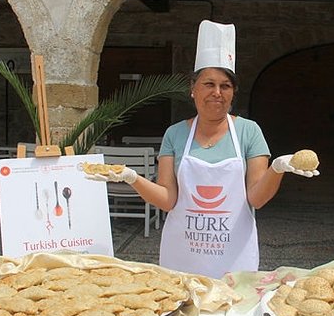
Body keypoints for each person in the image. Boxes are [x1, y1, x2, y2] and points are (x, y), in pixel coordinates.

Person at [96, 20, 319, 278]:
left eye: (225, 86)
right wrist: (132, 178)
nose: (217, 92)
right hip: (182, 257)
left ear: (233, 93)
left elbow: (256, 198)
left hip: (234, 257)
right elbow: (168, 200)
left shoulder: (249, 132)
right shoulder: (175, 134)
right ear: (193, 90)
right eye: (208, 84)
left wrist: (277, 169)